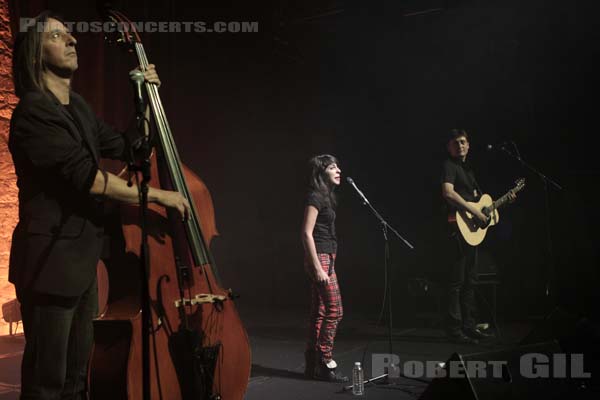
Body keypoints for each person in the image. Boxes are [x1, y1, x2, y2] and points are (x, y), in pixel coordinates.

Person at [9, 11, 191, 399]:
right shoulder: (33, 111)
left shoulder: (78, 107)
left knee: (78, 380)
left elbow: (131, 148)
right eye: (59, 36)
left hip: (82, 260)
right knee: (47, 383)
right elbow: (87, 178)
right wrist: (161, 196)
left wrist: (144, 99)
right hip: (49, 262)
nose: (73, 40)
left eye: (71, 34)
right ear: (36, 55)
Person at [441, 129, 496, 344]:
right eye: (455, 143)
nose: (460, 146)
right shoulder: (449, 166)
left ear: (469, 145)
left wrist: (486, 211)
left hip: (470, 232)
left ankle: (469, 325)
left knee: (470, 280)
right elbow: (448, 193)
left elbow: (477, 200)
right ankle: (454, 331)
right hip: (456, 229)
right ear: (449, 147)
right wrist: (474, 212)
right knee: (456, 282)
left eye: (463, 142)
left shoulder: (469, 170)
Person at [301, 154, 348, 382]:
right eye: (332, 167)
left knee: (319, 311)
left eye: (338, 166)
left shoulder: (327, 196)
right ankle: (325, 361)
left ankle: (312, 362)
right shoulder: (316, 196)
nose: (338, 170)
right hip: (320, 257)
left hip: (327, 255)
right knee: (335, 310)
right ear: (321, 172)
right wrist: (318, 267)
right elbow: (306, 232)